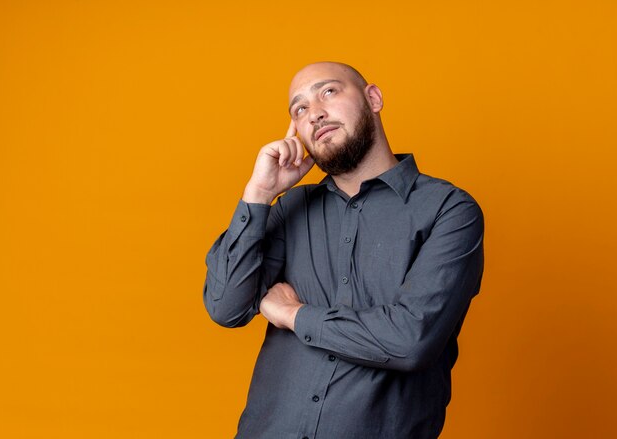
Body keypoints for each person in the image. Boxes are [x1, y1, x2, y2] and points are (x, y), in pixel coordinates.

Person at [204, 61, 484, 439]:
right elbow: (226, 307)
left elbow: (409, 340)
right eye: (299, 109)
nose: (315, 113)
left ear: (373, 98)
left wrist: (294, 314)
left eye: (329, 92)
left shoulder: (449, 210)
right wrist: (259, 194)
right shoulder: (289, 208)